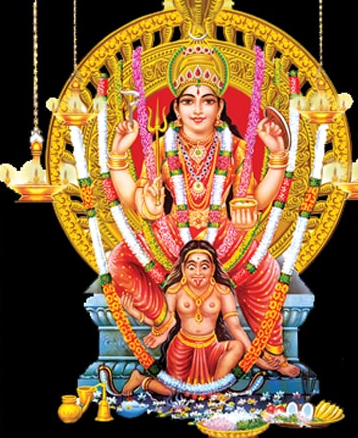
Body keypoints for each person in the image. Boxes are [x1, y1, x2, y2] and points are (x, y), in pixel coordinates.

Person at [105, 39, 299, 378]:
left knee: (266, 270)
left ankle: (272, 353)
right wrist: (121, 158)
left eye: (207, 101)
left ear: (219, 108)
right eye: (188, 101)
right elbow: (136, 202)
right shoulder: (161, 148)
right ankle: (163, 320)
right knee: (118, 260)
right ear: (176, 109)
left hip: (223, 241)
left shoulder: (235, 148)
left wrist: (277, 157)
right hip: (169, 240)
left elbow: (257, 201)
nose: (198, 109)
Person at [121, 241, 251, 396]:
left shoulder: (222, 292)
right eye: (191, 266)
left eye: (204, 266)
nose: (198, 272)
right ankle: (140, 379)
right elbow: (168, 322)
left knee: (237, 346)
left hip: (211, 347)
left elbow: (235, 327)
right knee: (173, 391)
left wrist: (255, 357)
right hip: (182, 348)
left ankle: (215, 390)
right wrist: (139, 316)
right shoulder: (175, 290)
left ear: (213, 269)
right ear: (183, 269)